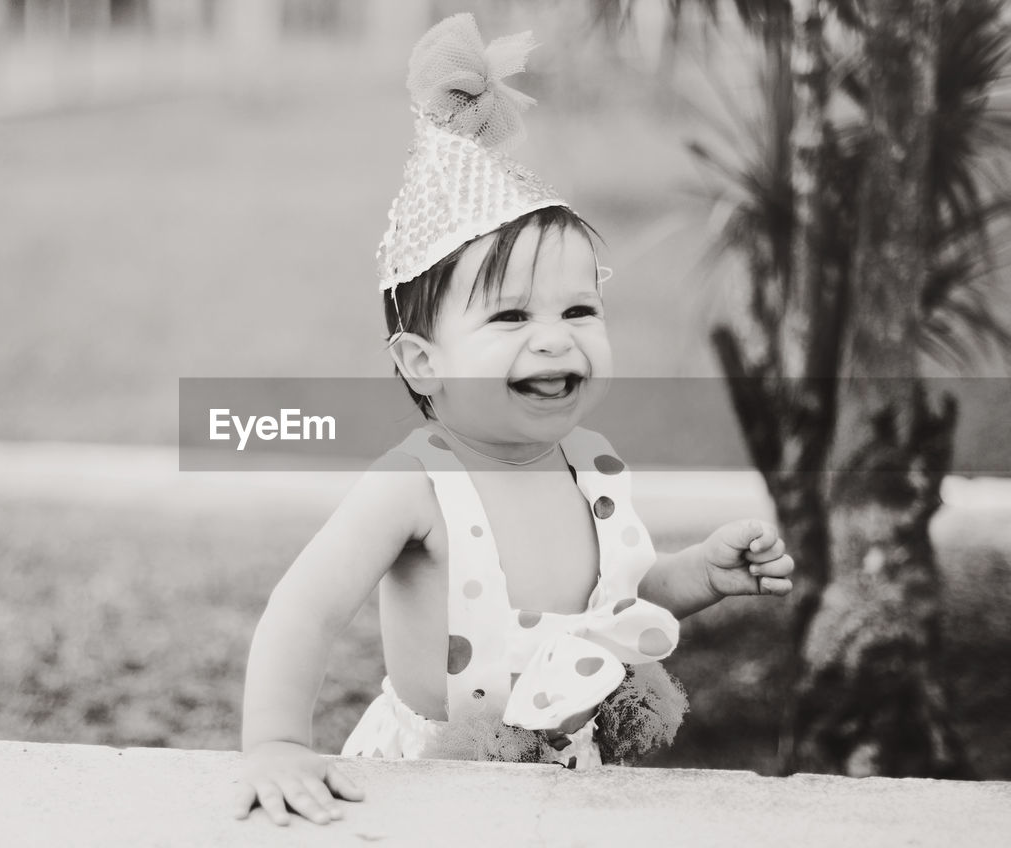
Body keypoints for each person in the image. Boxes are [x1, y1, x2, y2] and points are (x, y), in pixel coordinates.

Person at [234, 13, 794, 827]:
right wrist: (279, 740)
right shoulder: (416, 486)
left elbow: (620, 595)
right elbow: (306, 608)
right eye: (509, 319)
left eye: (578, 308)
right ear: (424, 362)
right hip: (431, 784)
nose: (554, 338)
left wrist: (699, 577)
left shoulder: (591, 465)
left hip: (568, 773)